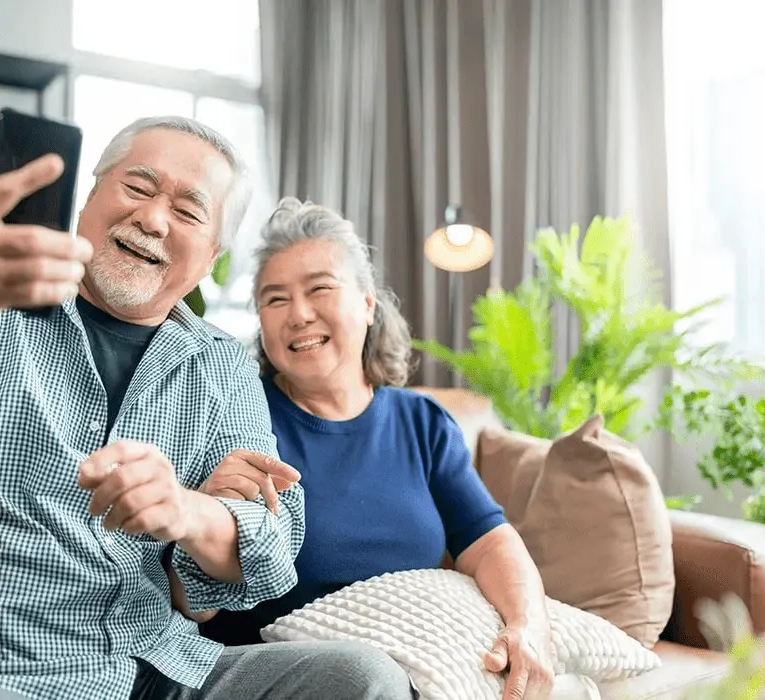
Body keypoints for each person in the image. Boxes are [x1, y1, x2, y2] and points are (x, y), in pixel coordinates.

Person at [0, 120, 415, 700]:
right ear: (87, 203)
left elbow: (271, 553)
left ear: (211, 258)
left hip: (152, 669)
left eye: (187, 210)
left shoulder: (220, 365)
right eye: (136, 188)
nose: (151, 218)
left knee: (360, 677)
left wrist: (187, 509)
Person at [190, 198, 557, 700]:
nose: (298, 314)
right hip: (280, 675)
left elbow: (490, 541)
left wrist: (527, 627)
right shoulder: (239, 417)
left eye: (319, 288)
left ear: (367, 302)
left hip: (407, 671)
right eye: (275, 300)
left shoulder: (421, 423)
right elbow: (193, 598)